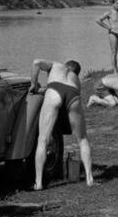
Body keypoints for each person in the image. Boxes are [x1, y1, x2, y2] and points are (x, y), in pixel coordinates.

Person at [29, 58, 93, 189]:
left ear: (65, 65)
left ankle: (39, 182)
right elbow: (65, 102)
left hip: (54, 90)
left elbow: (36, 62)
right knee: (82, 139)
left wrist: (33, 84)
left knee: (42, 139)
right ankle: (89, 178)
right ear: (77, 72)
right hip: (73, 94)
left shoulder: (56, 66)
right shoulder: (75, 80)